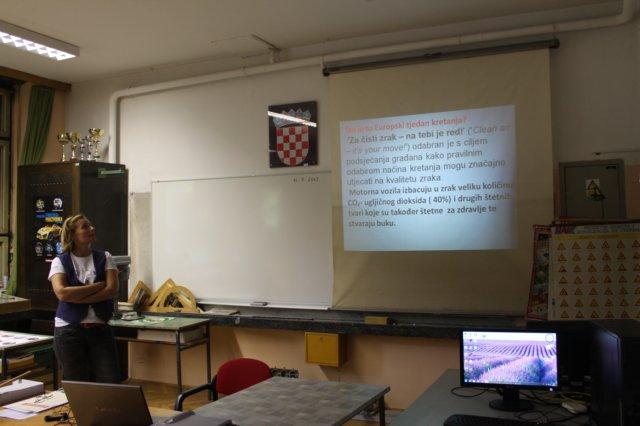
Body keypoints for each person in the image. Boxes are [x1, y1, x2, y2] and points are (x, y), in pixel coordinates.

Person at [48, 214, 120, 383]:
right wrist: (97, 286)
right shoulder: (60, 261)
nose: (91, 229)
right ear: (72, 234)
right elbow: (62, 293)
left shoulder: (105, 257)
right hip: (68, 331)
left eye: (91, 225)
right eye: (85, 227)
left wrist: (79, 297)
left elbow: (112, 289)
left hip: (99, 328)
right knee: (76, 382)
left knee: (110, 381)